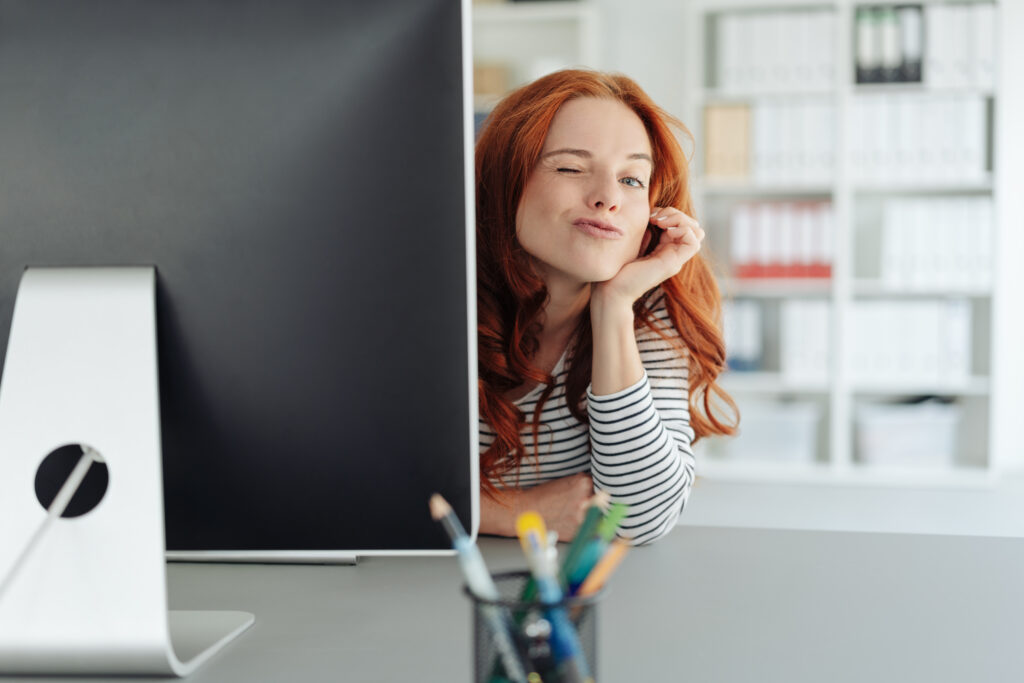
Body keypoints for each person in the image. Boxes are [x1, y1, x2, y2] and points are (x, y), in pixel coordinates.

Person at [476, 69, 737, 546]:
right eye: (571, 168)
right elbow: (352, 478)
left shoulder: (650, 308)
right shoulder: (431, 302)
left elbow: (639, 518)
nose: (607, 198)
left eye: (633, 179)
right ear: (504, 180)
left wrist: (614, 306)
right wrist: (521, 512)